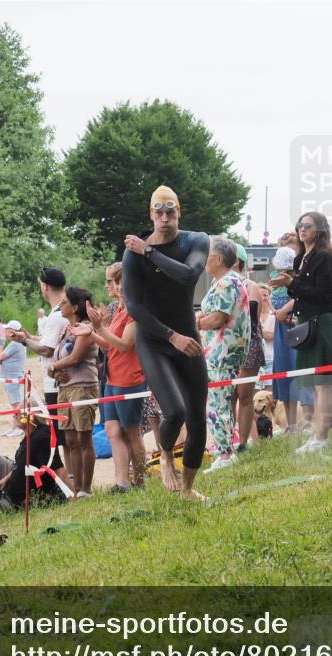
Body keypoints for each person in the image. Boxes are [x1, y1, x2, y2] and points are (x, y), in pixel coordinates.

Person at [122, 185, 210, 502]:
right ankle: (165, 454)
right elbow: (134, 307)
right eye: (158, 212)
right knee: (174, 411)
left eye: (170, 212)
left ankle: (187, 489)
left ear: (178, 213)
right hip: (155, 338)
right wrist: (171, 336)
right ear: (151, 214)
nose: (164, 218)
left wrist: (148, 251)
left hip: (188, 336)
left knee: (197, 418)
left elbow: (188, 276)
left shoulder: (195, 240)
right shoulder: (131, 255)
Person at [272, 212, 332, 453]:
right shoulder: (300, 258)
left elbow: (322, 295)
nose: (302, 229)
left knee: (323, 383)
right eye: (300, 225)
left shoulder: (323, 257)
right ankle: (316, 435)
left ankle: (321, 437)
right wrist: (290, 286)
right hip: (305, 323)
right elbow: (301, 293)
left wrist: (291, 284)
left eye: (308, 226)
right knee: (313, 382)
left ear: (320, 230)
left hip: (320, 323)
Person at [84, 264, 147, 491]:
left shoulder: (134, 311)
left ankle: (140, 481)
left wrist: (99, 328)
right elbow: (109, 346)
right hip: (112, 379)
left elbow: (123, 345)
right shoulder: (119, 310)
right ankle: (122, 482)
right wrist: (91, 332)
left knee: (132, 433)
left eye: (113, 281)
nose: (110, 286)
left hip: (129, 379)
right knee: (111, 429)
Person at [6, 267, 70, 462]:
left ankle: (71, 476)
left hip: (56, 383)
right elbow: (47, 340)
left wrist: (25, 341)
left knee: (65, 439)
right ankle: (71, 475)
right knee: (66, 439)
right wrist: (27, 337)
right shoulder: (59, 311)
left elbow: (46, 349)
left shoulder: (56, 315)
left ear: (45, 287)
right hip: (58, 380)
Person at [198, 237, 251, 472]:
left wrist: (197, 323)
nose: (203, 259)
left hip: (222, 353)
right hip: (218, 351)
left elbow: (218, 318)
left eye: (207, 254)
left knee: (217, 405)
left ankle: (226, 454)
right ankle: (225, 450)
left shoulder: (227, 282)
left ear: (218, 259)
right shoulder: (223, 281)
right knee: (218, 403)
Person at [50, 286, 98, 497]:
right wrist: (55, 373)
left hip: (83, 387)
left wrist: (53, 368)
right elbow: (58, 358)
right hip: (64, 389)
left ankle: (86, 488)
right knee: (70, 441)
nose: (60, 305)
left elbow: (75, 357)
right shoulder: (65, 329)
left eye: (64, 302)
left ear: (75, 307)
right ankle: (77, 488)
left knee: (84, 439)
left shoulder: (86, 328)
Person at [270, 234, 314, 432]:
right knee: (284, 372)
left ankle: (308, 422)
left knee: (301, 373)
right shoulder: (275, 278)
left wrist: (284, 311)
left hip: (299, 327)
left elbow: (302, 297)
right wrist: (276, 312)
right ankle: (291, 424)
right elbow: (269, 298)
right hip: (282, 330)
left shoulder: (302, 275)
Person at [233, 243, 264, 451]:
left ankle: (243, 443)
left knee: (244, 395)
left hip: (247, 343)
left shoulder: (250, 286)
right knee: (228, 395)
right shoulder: (217, 285)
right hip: (226, 346)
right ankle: (228, 441)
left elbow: (252, 320)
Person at [0, 320, 27, 437]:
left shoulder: (14, 344)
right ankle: (15, 427)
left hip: (12, 376)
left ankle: (19, 428)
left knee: (16, 404)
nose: (5, 331)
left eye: (7, 329)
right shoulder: (18, 343)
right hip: (12, 375)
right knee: (15, 403)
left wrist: (0, 346)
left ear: (11, 331)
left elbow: (0, 357)